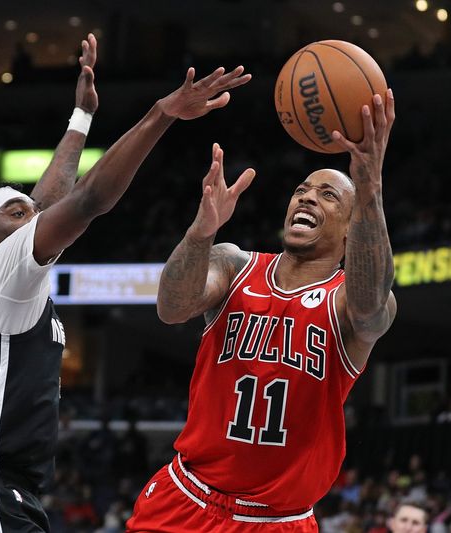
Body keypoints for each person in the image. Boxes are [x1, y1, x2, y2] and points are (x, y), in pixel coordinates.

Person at [0, 32, 251, 533]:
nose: (33, 215)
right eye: (16, 211)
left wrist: (80, 119)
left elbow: (47, 204)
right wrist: (161, 114)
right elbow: (88, 200)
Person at [127, 89, 396, 531]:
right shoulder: (235, 264)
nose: (307, 198)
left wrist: (369, 188)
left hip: (278, 520)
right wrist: (201, 231)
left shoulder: (349, 300)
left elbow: (371, 306)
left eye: (328, 196)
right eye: (301, 191)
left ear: (352, 228)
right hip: (186, 500)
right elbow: (171, 308)